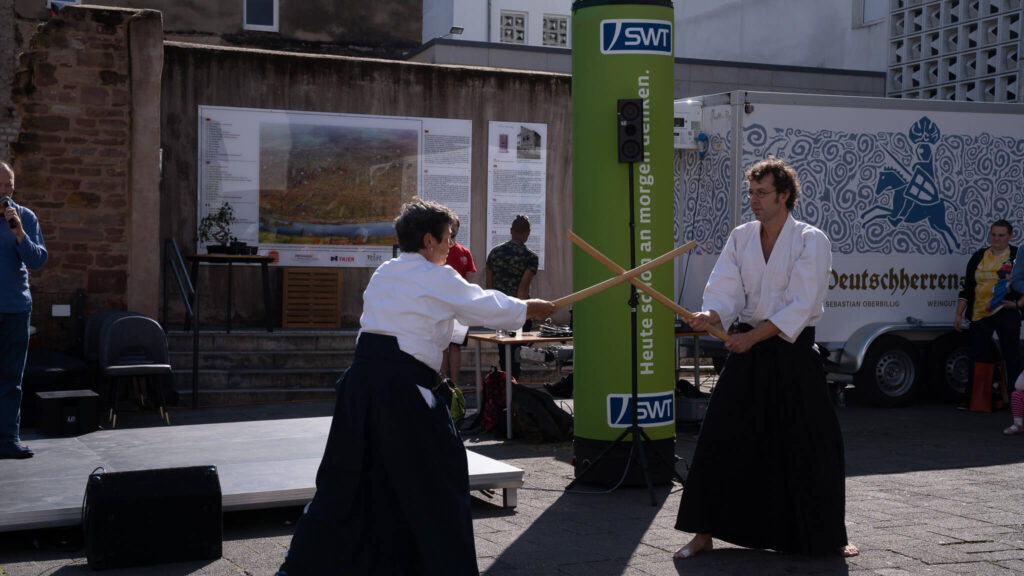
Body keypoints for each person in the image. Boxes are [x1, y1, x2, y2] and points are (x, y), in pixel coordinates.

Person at [276, 200, 556, 575]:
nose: (451, 247)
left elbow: (432, 318)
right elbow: (484, 305)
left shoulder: (387, 272)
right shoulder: (436, 277)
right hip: (401, 394)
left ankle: (307, 567)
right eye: (448, 239)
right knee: (436, 484)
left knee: (346, 482)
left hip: (360, 389)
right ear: (428, 240)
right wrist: (530, 308)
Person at [674, 157, 858, 559]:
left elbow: (800, 302)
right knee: (718, 438)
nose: (754, 201)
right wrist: (713, 314)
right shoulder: (741, 237)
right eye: (751, 193)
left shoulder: (811, 240)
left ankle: (828, 535)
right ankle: (702, 533)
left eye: (762, 193)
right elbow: (726, 287)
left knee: (813, 444)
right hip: (748, 349)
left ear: (785, 196)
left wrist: (753, 337)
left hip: (792, 351)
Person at [0, 161, 47, 460]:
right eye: (1, 186)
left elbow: (38, 260)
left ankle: (8, 439)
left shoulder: (24, 217)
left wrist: (19, 234)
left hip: (16, 310)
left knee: (11, 379)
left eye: (10, 186)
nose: (6, 192)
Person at [955, 220, 1019, 411]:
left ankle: (1016, 400)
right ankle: (975, 398)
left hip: (1006, 311)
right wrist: (959, 314)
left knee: (1012, 355)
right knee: (978, 354)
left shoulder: (1017, 256)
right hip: (980, 312)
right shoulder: (979, 256)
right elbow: (967, 288)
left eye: (1001, 235)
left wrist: (1017, 304)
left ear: (1010, 236)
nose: (996, 239)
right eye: (993, 235)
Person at [485, 214, 539, 378]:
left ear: (511, 231)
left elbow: (489, 286)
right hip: (519, 310)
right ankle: (514, 389)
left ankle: (505, 389)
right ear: (528, 233)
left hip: (500, 310)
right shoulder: (530, 257)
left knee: (504, 355)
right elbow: (523, 288)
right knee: (516, 356)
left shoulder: (495, 253)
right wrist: (525, 316)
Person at [441, 214, 476, 387]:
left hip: (459, 307)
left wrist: (469, 305)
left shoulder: (465, 253)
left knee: (455, 346)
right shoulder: (438, 252)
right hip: (440, 305)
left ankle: (454, 385)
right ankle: (441, 383)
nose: (452, 231)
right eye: (450, 228)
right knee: (442, 346)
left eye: (455, 228)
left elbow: (469, 282)